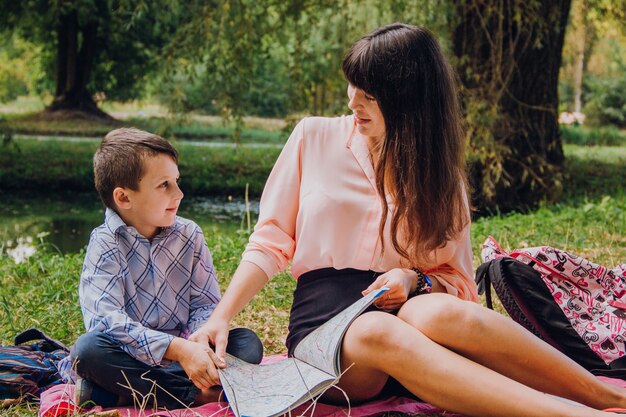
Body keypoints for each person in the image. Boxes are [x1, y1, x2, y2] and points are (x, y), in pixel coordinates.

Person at [191, 23, 626, 417]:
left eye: (369, 94)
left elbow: (459, 285)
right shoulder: (314, 136)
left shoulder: (441, 175)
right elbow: (270, 241)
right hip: (330, 334)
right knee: (379, 329)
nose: (352, 102)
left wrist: (412, 280)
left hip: (412, 317)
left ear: (408, 100)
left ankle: (607, 396)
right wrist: (222, 315)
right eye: (352, 87)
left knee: (440, 315)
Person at [70, 128, 263, 410]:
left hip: (179, 361)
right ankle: (199, 395)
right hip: (128, 357)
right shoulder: (104, 244)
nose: (179, 193)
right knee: (87, 352)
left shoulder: (189, 235)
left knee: (247, 344)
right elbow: (107, 323)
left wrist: (198, 346)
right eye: (164, 185)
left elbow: (205, 304)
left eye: (177, 181)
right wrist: (178, 350)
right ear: (124, 198)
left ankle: (120, 394)